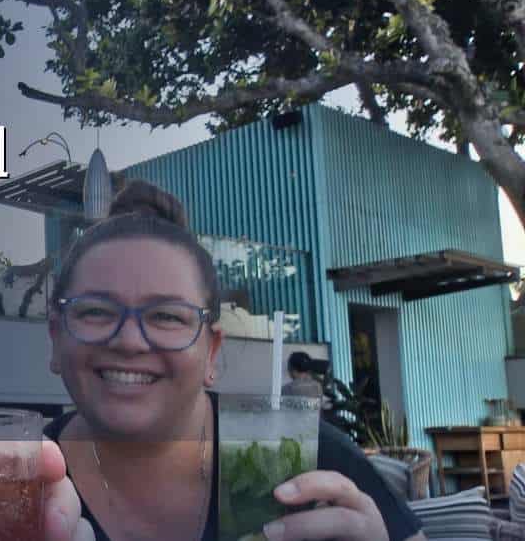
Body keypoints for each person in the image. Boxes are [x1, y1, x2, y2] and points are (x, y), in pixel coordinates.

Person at [42, 180, 425, 541]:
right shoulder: (11, 479)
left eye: (168, 316)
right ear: (56, 338)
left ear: (212, 350)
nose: (128, 341)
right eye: (95, 311)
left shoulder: (307, 456)